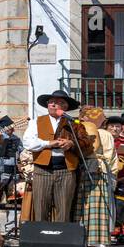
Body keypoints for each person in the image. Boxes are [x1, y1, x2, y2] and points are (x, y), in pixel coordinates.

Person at [23, 90, 93, 223]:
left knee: (64, 209)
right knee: (41, 208)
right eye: (52, 102)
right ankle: (41, 240)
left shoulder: (74, 123)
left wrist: (71, 143)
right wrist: (48, 143)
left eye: (60, 103)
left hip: (66, 170)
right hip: (42, 170)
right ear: (47, 105)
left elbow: (86, 142)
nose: (54, 105)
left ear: (65, 107)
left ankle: (61, 241)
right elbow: (28, 142)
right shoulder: (36, 121)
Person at [74, 106, 115, 247]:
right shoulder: (80, 130)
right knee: (91, 205)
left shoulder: (103, 134)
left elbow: (109, 155)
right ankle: (94, 240)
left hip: (95, 169)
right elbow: (111, 157)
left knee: (90, 204)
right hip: (92, 168)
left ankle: (90, 240)